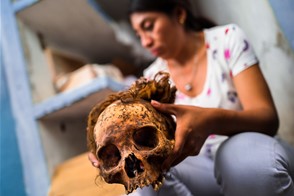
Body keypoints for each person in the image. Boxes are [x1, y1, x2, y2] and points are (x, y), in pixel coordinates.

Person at [89, 0, 294, 195]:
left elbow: (267, 119)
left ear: (179, 14)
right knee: (145, 179)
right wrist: (112, 151)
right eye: (138, 34)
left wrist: (211, 121)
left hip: (250, 152)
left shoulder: (227, 40)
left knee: (239, 159)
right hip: (202, 171)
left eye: (149, 26)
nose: (145, 41)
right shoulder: (151, 80)